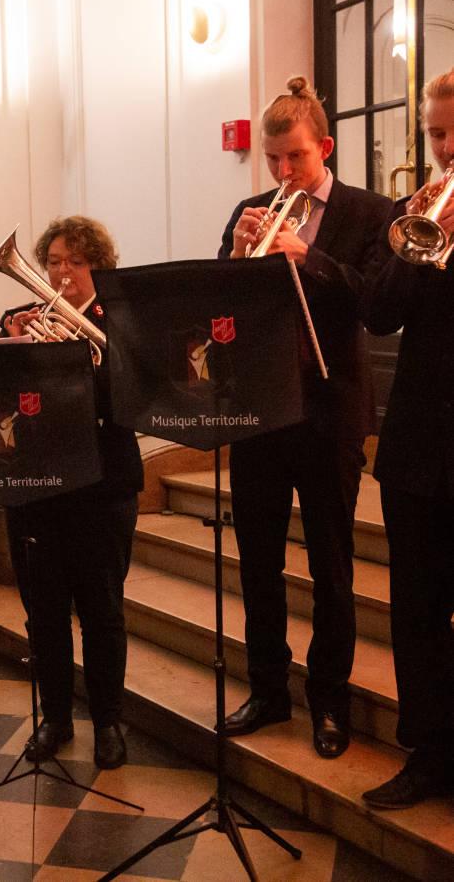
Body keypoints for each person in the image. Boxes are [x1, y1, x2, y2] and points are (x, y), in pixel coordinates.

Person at [217, 78, 392, 758]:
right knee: (257, 561)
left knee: (332, 565)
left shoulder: (368, 211)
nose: (283, 173)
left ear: (324, 146)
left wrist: (306, 256)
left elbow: (375, 303)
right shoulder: (252, 208)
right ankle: (267, 690)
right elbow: (222, 315)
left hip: (329, 411)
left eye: (295, 158)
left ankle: (329, 703)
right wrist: (236, 255)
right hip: (262, 410)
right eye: (272, 160)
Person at [0, 215, 142, 769]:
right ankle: (55, 718)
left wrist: (77, 359)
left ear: (98, 270)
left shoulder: (121, 323)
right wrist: (18, 348)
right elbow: (7, 399)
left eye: (75, 263)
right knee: (45, 614)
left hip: (104, 489)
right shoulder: (21, 322)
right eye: (54, 262)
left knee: (103, 611)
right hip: (37, 489)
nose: (62, 273)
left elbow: (128, 399)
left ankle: (108, 721)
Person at [361, 68, 454, 809]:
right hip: (419, 444)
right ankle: (427, 755)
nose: (446, 148)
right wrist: (411, 246)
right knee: (416, 612)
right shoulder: (415, 215)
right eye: (437, 134)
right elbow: (379, 317)